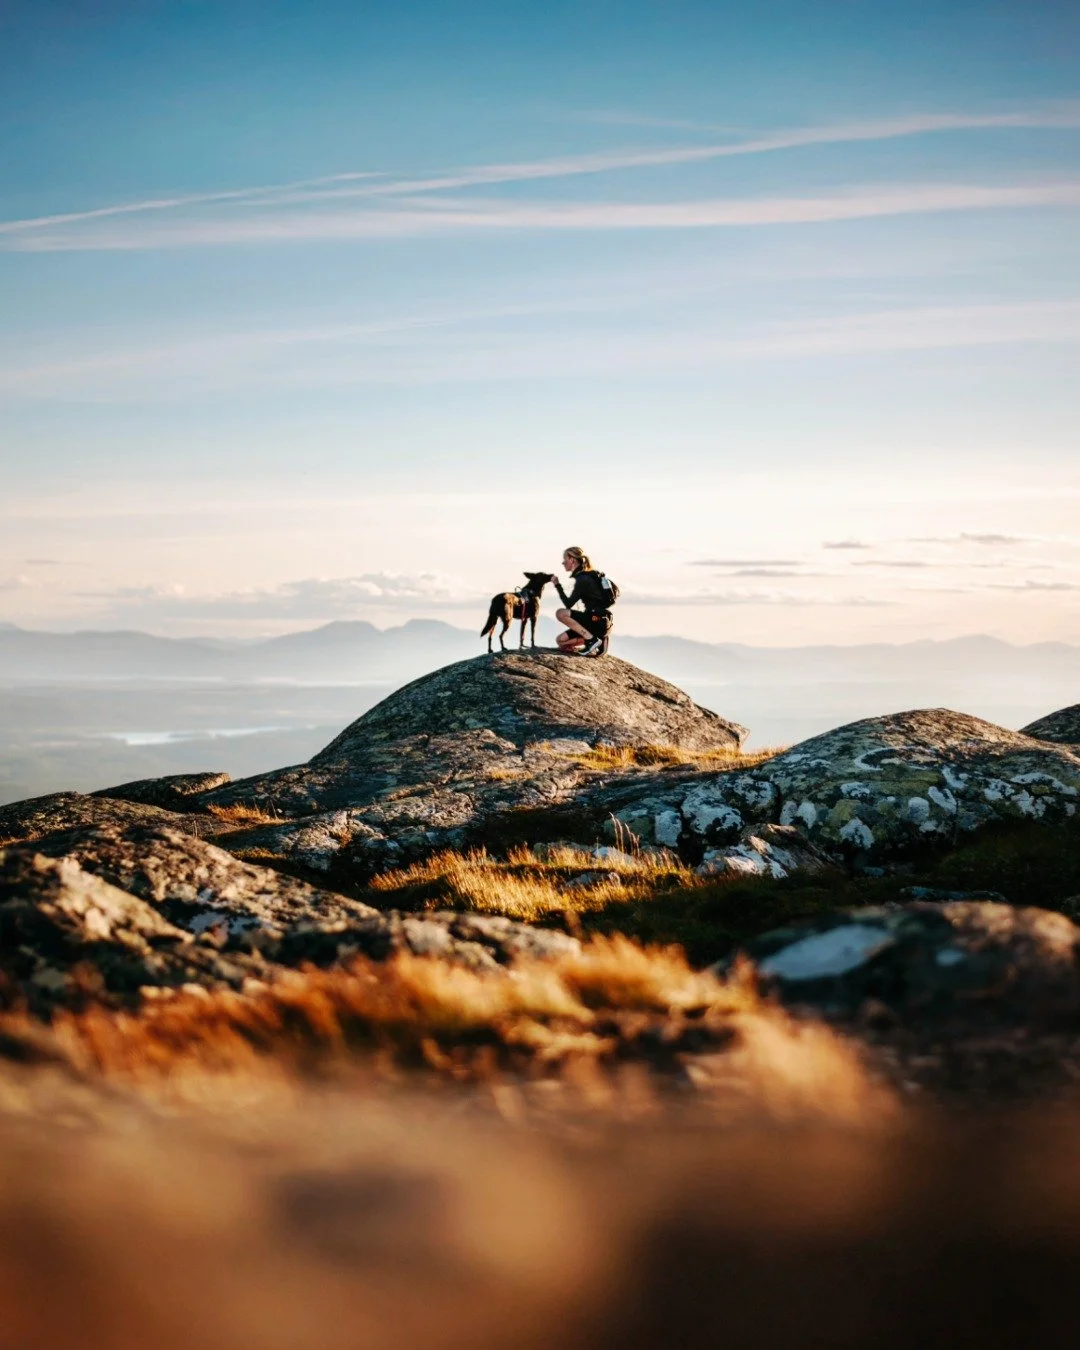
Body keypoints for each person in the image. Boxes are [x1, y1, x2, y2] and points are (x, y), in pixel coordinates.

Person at [553, 546, 611, 657]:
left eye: (565, 559)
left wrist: (557, 585)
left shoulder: (583, 579)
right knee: (560, 641)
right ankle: (599, 641)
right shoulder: (591, 576)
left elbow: (568, 604)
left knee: (560, 613)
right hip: (600, 620)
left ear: (572, 560)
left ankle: (592, 640)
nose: (563, 563)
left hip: (596, 619)